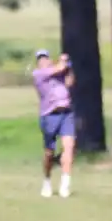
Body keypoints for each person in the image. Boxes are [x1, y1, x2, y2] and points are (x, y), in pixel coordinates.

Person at [31, 48, 75, 198]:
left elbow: (69, 82)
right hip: (49, 116)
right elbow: (60, 67)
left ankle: (65, 185)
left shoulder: (58, 73)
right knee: (49, 153)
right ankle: (47, 181)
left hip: (66, 114)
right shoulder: (38, 74)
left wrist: (69, 68)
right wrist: (63, 61)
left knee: (68, 148)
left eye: (45, 58)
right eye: (40, 59)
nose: (43, 61)